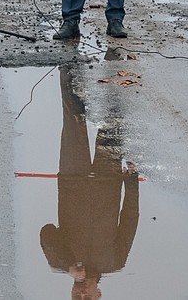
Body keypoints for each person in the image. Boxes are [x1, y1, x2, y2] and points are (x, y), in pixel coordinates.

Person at [40, 66, 140, 299]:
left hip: (72, 177)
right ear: (99, 294)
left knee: (74, 112)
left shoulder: (59, 262)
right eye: (88, 299)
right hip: (109, 178)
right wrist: (132, 181)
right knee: (114, 115)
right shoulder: (115, 262)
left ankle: (68, 63)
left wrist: (68, 265)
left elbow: (46, 232)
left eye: (76, 298)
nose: (81, 294)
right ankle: (116, 59)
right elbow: (130, 218)